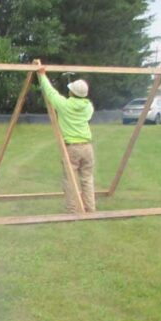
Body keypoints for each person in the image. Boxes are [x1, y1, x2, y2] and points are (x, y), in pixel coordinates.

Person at [37, 63, 96, 213]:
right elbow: (86, 113)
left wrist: (42, 75)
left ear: (71, 92)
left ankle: (72, 209)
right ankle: (90, 208)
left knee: (70, 179)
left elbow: (51, 93)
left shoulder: (64, 105)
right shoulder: (88, 107)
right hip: (88, 147)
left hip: (72, 147)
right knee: (87, 178)